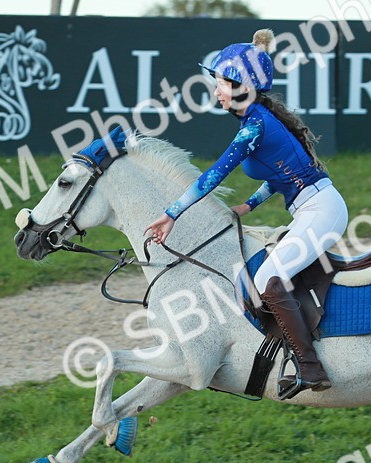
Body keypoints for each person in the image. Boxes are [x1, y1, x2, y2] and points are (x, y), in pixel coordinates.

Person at [144, 29, 349, 396]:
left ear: (243, 86)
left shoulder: (255, 126)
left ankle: (310, 367)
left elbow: (212, 176)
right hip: (312, 208)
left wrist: (172, 213)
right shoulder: (256, 120)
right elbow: (278, 175)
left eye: (222, 83)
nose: (216, 91)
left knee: (269, 278)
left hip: (322, 210)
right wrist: (248, 205)